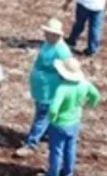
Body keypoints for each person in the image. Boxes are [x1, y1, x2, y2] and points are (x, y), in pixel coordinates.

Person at [15, 19, 73, 158]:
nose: (45, 35)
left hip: (49, 91)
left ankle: (31, 143)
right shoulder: (48, 43)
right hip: (41, 90)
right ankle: (46, 133)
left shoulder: (62, 52)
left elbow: (68, 73)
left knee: (41, 116)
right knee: (43, 115)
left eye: (48, 33)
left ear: (56, 35)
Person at [45, 58, 101, 176]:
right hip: (75, 122)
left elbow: (53, 109)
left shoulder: (63, 88)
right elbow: (96, 96)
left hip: (60, 124)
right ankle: (68, 174)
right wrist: (89, 105)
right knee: (70, 148)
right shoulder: (85, 84)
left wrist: (52, 119)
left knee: (56, 151)